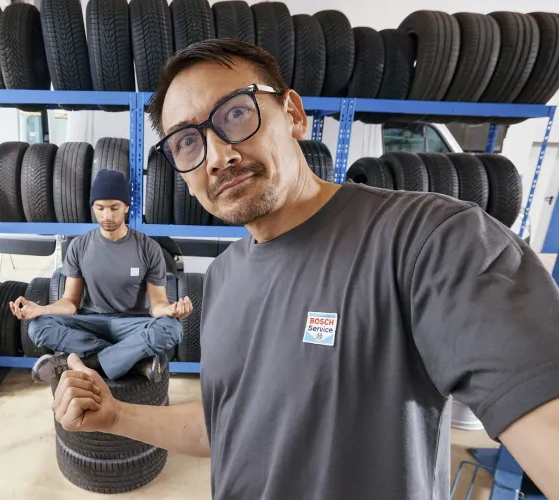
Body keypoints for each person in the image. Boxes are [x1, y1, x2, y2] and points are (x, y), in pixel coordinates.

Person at [47, 39, 559, 499]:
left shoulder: (427, 240)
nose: (218, 155)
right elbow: (225, 424)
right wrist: (114, 415)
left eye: (235, 114)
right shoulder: (222, 280)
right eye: (186, 142)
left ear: (292, 112)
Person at [10, 169, 193, 384]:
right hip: (91, 324)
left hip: (132, 325)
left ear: (126, 207)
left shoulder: (148, 248)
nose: (107, 216)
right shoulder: (79, 246)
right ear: (93, 208)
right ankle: (130, 360)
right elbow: (70, 303)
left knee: (172, 328)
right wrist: (41, 310)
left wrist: (171, 310)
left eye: (114, 208)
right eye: (100, 208)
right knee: (37, 327)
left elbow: (158, 304)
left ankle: (87, 362)